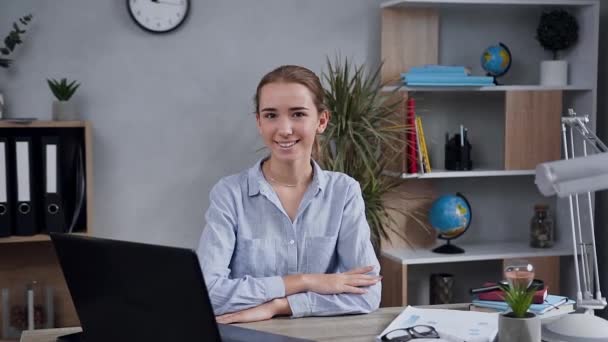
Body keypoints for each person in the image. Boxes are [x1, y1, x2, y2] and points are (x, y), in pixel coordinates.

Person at [196, 65, 381, 324]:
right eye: (271, 115)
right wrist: (305, 281)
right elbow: (206, 293)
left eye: (298, 114)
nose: (284, 129)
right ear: (259, 122)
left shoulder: (344, 192)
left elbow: (368, 294)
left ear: (322, 121)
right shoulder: (230, 194)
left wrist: (281, 306)